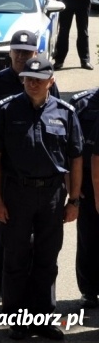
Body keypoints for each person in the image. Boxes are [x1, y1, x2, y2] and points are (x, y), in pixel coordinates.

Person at [0, 57, 82, 341]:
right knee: (15, 257)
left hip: (53, 195)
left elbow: (76, 159)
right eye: (28, 77)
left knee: (47, 258)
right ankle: (17, 319)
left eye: (39, 78)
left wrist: (74, 200)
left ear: (51, 81)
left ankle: (42, 318)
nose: (33, 82)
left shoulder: (65, 112)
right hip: (16, 193)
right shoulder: (6, 110)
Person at [0, 30, 60, 306]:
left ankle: (32, 291)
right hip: (4, 173)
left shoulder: (46, 81)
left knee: (35, 239)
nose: (22, 56)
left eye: (27, 52)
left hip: (37, 178)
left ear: (36, 53)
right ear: (9, 53)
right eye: (17, 51)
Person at [70, 87, 99, 309]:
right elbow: (69, 146)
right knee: (88, 236)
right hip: (87, 178)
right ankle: (89, 290)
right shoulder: (82, 103)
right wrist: (72, 183)